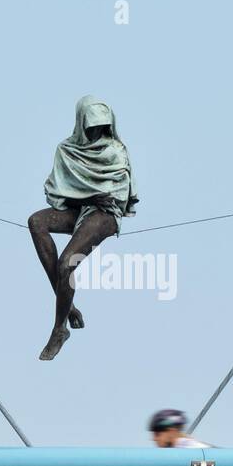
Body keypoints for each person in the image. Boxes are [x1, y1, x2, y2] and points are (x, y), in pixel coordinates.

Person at [28, 96, 138, 361]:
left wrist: (91, 199)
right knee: (36, 222)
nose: (97, 132)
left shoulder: (115, 150)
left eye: (102, 126)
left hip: (103, 215)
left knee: (67, 263)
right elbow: (58, 192)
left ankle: (58, 329)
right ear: (80, 125)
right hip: (80, 209)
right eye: (91, 127)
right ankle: (68, 305)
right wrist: (87, 197)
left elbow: (115, 197)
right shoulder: (67, 150)